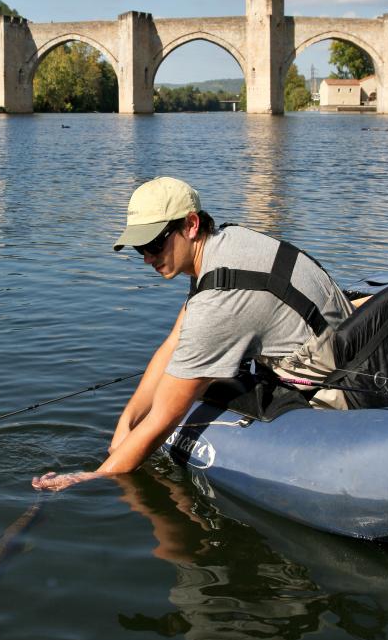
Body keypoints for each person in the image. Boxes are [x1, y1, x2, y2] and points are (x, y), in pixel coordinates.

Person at [32, 176, 353, 492]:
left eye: (154, 244)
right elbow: (174, 343)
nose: (147, 258)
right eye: (139, 248)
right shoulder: (225, 242)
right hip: (343, 339)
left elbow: (163, 418)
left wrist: (91, 477)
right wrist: (126, 421)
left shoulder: (218, 303)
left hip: (336, 385)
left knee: (202, 392)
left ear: (191, 224)